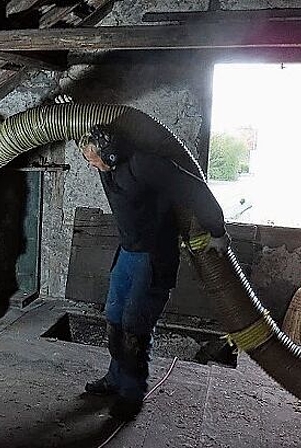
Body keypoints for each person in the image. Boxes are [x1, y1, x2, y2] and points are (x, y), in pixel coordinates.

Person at [79, 124, 230, 420]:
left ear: (111, 152)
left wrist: (217, 229)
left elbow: (194, 189)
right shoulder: (106, 162)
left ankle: (131, 397)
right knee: (114, 320)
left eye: (94, 159)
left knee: (135, 327)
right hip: (127, 253)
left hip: (152, 256)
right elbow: (81, 127)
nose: (92, 166)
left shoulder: (144, 165)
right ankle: (115, 378)